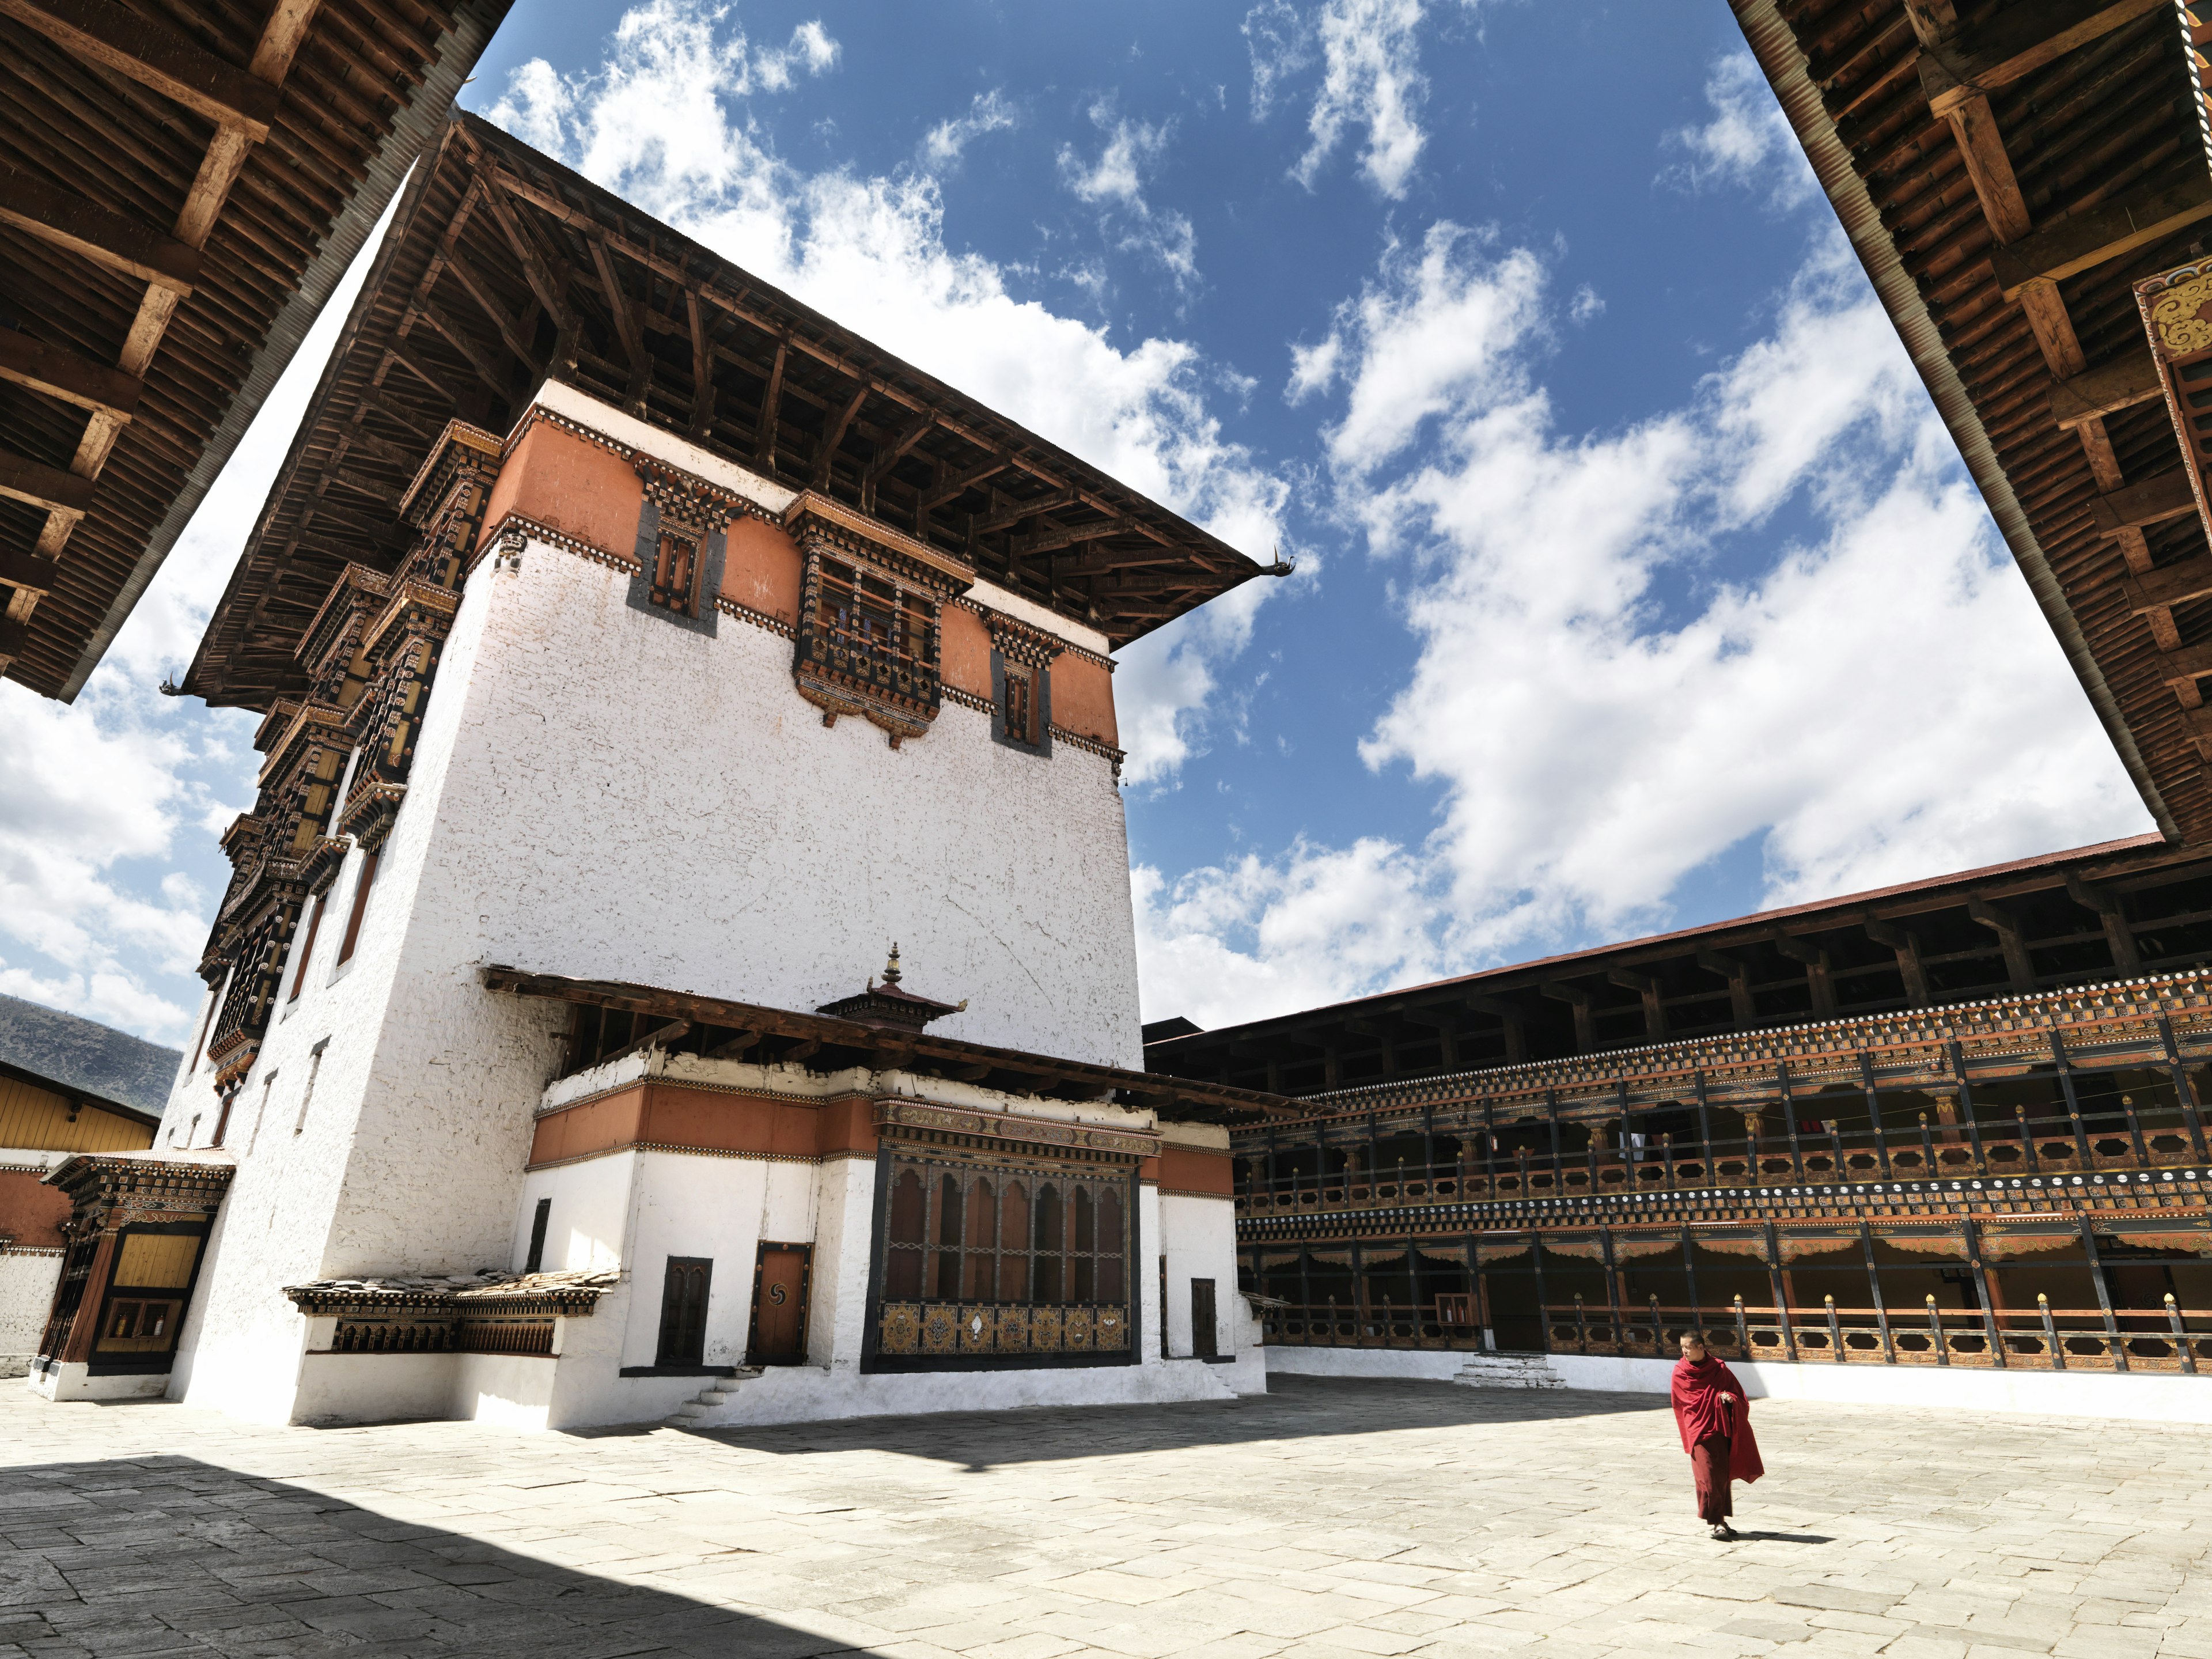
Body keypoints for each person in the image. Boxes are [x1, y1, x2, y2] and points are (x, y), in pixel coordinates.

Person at [1670, 1331, 1763, 1539]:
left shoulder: (1719, 1369)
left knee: (1721, 1478)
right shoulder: (1680, 1372)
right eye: (1682, 1347)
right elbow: (1682, 1404)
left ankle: (1720, 1518)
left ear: (1701, 1348)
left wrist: (1729, 1398)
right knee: (1707, 1477)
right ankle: (1717, 1522)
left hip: (1720, 1429)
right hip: (1698, 1430)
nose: (1684, 1351)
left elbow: (1739, 1395)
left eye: (1688, 1347)